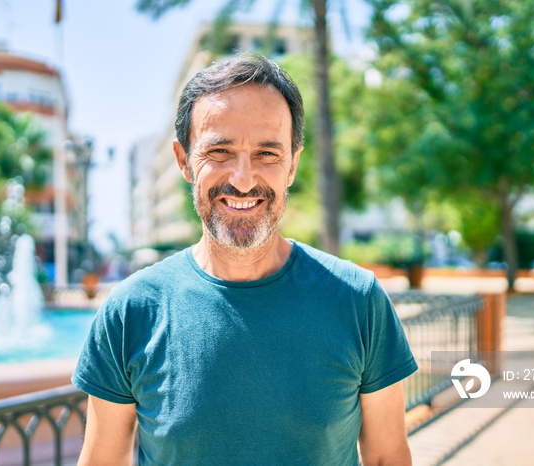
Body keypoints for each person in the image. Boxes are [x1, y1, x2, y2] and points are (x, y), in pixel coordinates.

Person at [72, 53, 417, 465]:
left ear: (292, 165)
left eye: (267, 154)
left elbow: (386, 457)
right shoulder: (130, 311)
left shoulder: (358, 300)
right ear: (184, 162)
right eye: (219, 151)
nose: (243, 179)